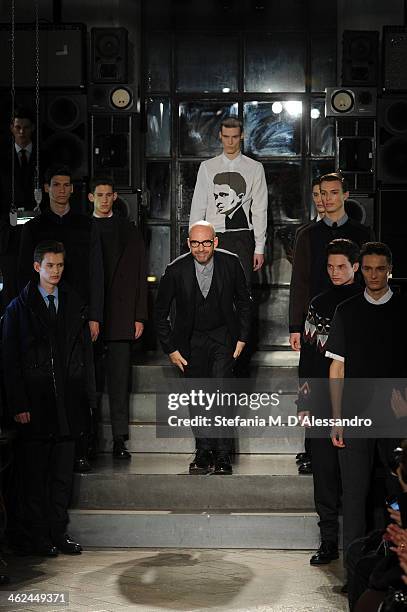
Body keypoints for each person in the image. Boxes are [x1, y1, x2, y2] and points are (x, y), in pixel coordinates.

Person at [2, 240, 95, 556]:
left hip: (67, 404)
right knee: (35, 478)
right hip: (35, 405)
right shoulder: (18, 309)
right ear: (36, 267)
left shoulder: (73, 302)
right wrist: (18, 405)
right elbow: (9, 361)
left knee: (61, 478)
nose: (56, 271)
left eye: (60, 265)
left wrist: (87, 398)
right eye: (50, 265)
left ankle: (58, 533)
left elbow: (83, 355)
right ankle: (38, 535)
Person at [326, 242, 407, 566]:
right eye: (369, 268)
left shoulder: (404, 311)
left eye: (380, 268)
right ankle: (355, 573)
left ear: (390, 269)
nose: (374, 275)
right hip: (356, 416)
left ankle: (396, 569)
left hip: (397, 418)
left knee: (398, 495)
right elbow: (337, 368)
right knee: (355, 497)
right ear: (361, 270)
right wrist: (336, 417)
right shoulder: (346, 311)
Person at [18, 165, 104, 472]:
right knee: (45, 382)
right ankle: (49, 449)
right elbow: (21, 276)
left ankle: (82, 448)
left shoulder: (85, 225)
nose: (62, 190)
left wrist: (95, 316)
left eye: (67, 185)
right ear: (47, 188)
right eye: (56, 184)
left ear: (73, 189)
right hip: (41, 315)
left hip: (77, 316)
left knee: (80, 383)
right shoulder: (34, 227)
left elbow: (96, 273)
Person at [154, 221, 252, 475]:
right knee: (199, 399)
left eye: (206, 242)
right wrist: (171, 349)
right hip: (190, 342)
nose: (201, 248)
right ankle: (204, 451)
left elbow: (244, 302)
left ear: (215, 242)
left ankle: (222, 455)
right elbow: (160, 312)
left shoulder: (231, 263)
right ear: (188, 243)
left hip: (223, 338)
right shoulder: (176, 269)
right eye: (195, 243)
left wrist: (242, 338)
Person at [297, 239, 362, 565]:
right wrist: (304, 404)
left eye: (341, 266)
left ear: (356, 266)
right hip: (321, 399)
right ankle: (327, 542)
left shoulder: (365, 303)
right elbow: (308, 360)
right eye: (330, 266)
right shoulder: (318, 304)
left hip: (359, 402)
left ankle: (359, 547)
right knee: (323, 473)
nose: (335, 272)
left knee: (355, 477)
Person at [89, 178, 148, 460]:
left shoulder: (129, 230)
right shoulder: (83, 229)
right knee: (89, 383)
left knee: (119, 381)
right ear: (91, 197)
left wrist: (139, 316)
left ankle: (118, 439)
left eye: (108, 195)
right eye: (99, 195)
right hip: (88, 318)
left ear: (114, 197)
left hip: (121, 317)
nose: (103, 199)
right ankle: (88, 439)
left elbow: (140, 274)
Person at [289, 172, 373, 352]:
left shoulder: (363, 234)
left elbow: (372, 277)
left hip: (355, 317)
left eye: (334, 192)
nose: (327, 198)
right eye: (323, 193)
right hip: (316, 320)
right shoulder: (306, 235)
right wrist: (295, 327)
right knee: (315, 376)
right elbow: (299, 283)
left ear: (346, 195)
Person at [189, 116, 267, 284]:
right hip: (212, 237)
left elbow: (260, 209)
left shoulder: (255, 168)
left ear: (242, 136)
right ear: (220, 136)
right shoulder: (207, 167)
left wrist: (259, 247)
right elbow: (198, 206)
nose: (230, 142)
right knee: (211, 291)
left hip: (242, 238)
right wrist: (195, 243)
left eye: (234, 137)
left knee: (242, 292)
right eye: (226, 137)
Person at [0, 107, 41, 309]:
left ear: (32, 128)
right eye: (18, 127)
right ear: (11, 128)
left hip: (37, 233)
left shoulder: (44, 156)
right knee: (10, 289)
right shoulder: (3, 158)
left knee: (35, 287)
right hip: (9, 236)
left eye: (25, 127)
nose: (22, 132)